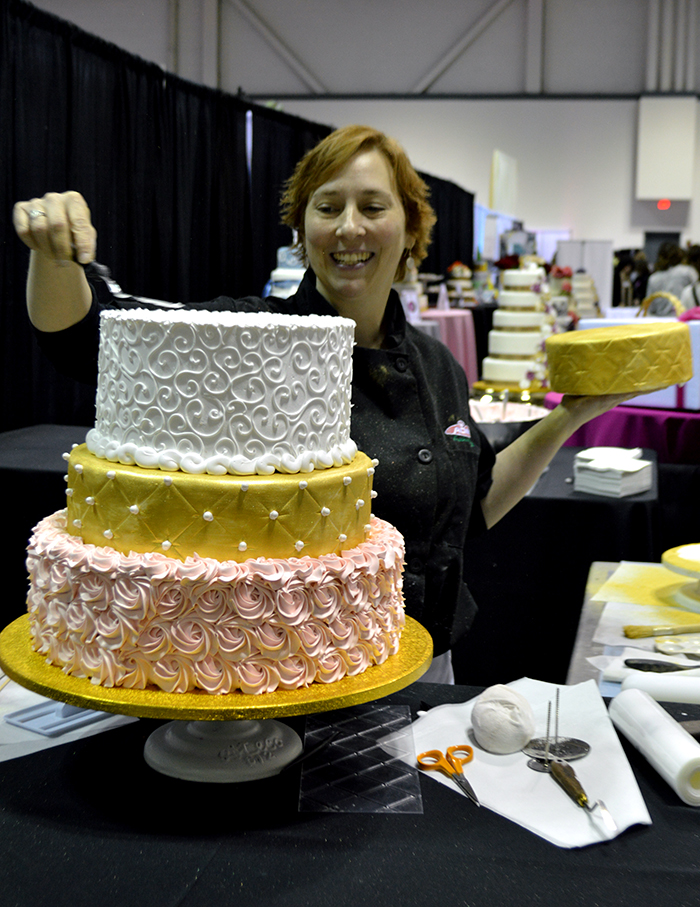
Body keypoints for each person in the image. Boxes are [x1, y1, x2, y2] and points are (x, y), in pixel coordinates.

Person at [13, 124, 631, 683]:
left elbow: (476, 505)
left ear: (411, 229)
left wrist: (570, 416)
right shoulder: (255, 340)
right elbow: (86, 337)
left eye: (373, 207)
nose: (349, 228)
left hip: (428, 665)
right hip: (293, 673)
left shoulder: (437, 363)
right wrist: (54, 253)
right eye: (328, 207)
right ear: (302, 231)